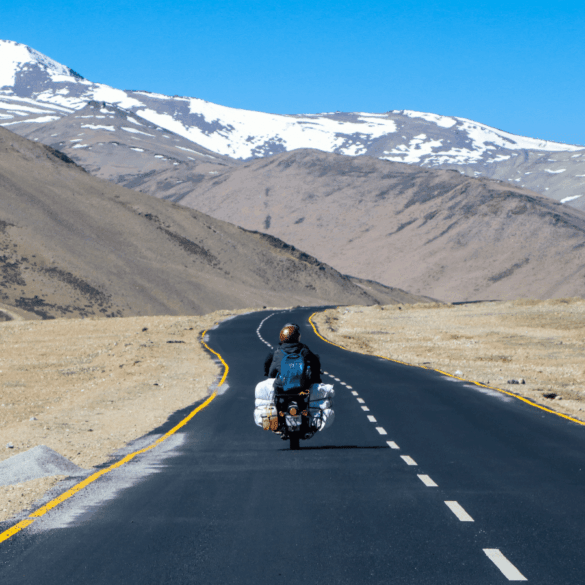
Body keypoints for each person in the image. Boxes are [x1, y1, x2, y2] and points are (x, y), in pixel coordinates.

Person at [263, 323, 322, 392]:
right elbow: (315, 362)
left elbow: (270, 369)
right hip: (303, 387)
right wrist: (317, 379)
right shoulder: (304, 350)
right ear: (297, 336)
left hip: (281, 387)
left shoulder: (277, 351)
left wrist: (268, 375)